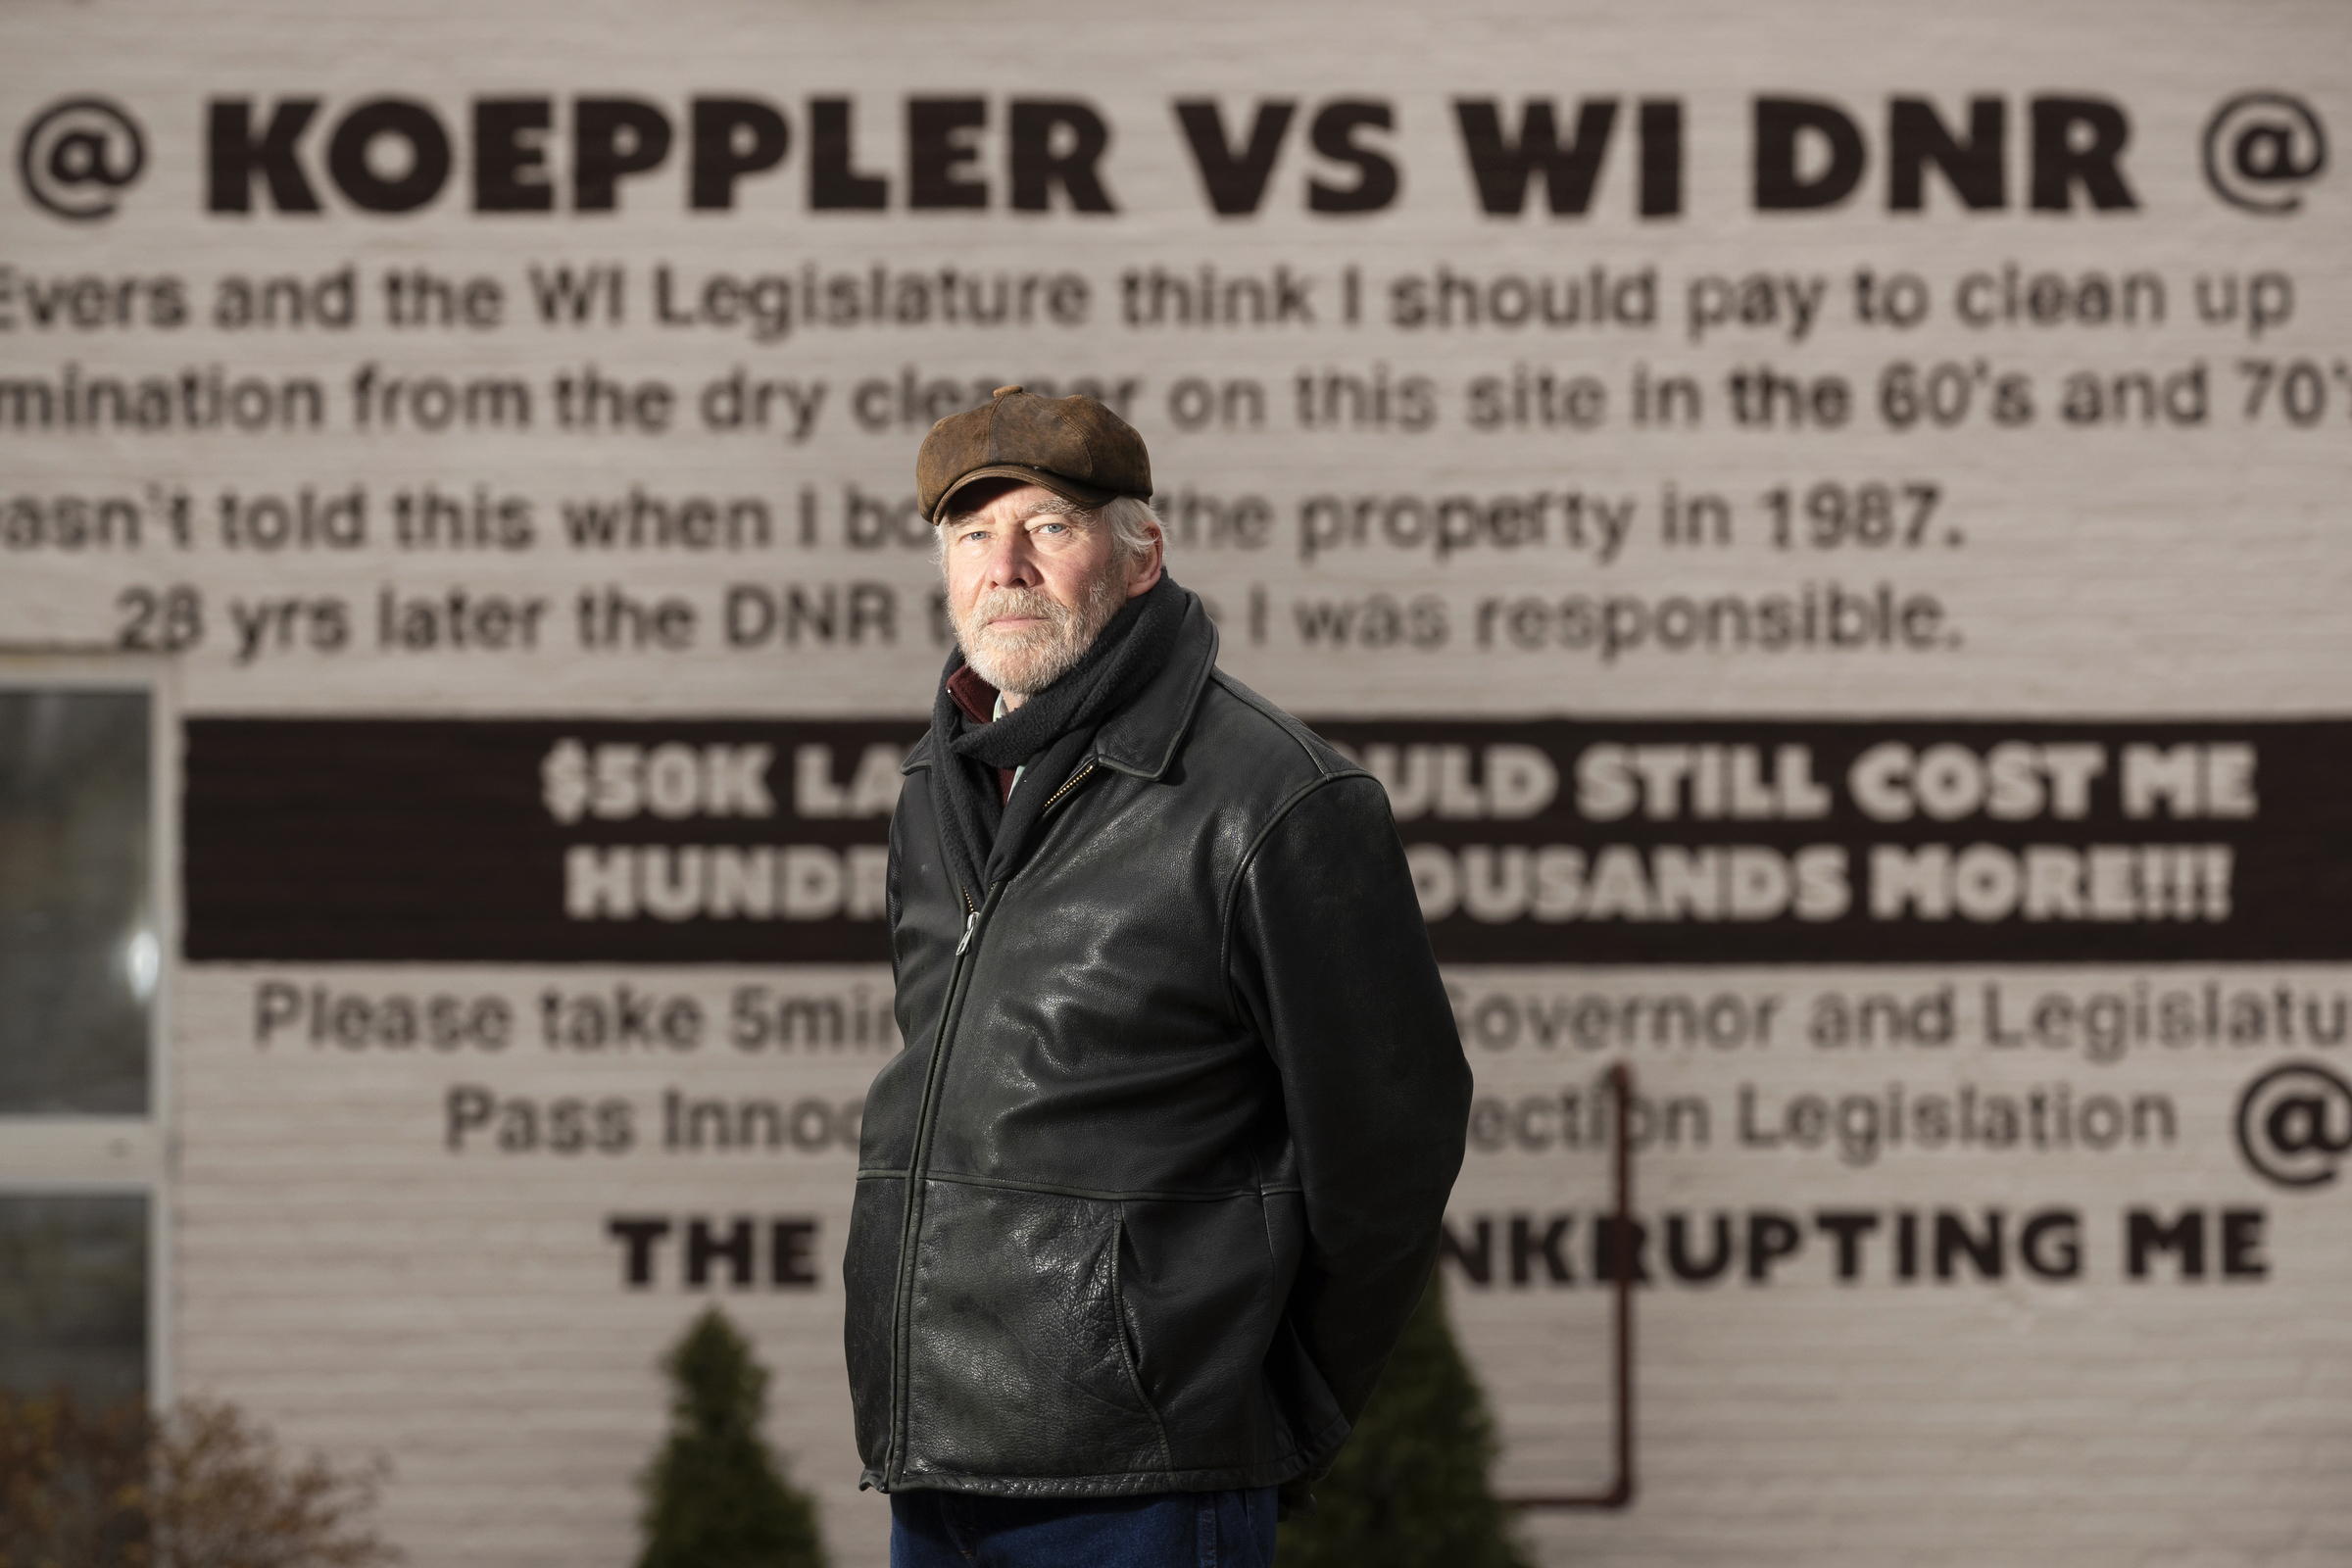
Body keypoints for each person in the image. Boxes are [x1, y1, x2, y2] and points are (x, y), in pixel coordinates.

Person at [845, 385, 1471, 1568]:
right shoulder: (939, 784)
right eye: (972, 535)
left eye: (1050, 526)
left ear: (1141, 557)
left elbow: (1396, 1140)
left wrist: (1262, 1406)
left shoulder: (1273, 798)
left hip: (1145, 1476)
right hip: (933, 1455)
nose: (1006, 567)